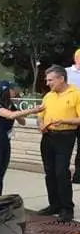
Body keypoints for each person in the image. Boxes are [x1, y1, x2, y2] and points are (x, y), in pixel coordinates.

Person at [0, 80, 43, 197]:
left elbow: (23, 122)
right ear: (4, 91)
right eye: (11, 89)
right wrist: (33, 110)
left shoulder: (10, 105)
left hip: (5, 143)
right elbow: (10, 115)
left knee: (0, 175)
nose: (14, 91)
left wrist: (19, 114)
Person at [37, 65, 80, 223]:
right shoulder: (48, 96)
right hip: (48, 136)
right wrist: (41, 123)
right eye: (47, 80)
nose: (48, 83)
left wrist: (63, 120)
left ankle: (67, 208)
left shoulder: (76, 94)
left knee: (61, 172)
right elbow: (41, 115)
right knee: (49, 172)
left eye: (51, 80)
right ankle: (54, 205)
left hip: (65, 136)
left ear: (61, 79)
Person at [64, 49, 80, 183]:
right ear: (75, 58)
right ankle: (64, 173)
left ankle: (78, 176)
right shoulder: (66, 72)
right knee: (66, 146)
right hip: (68, 115)